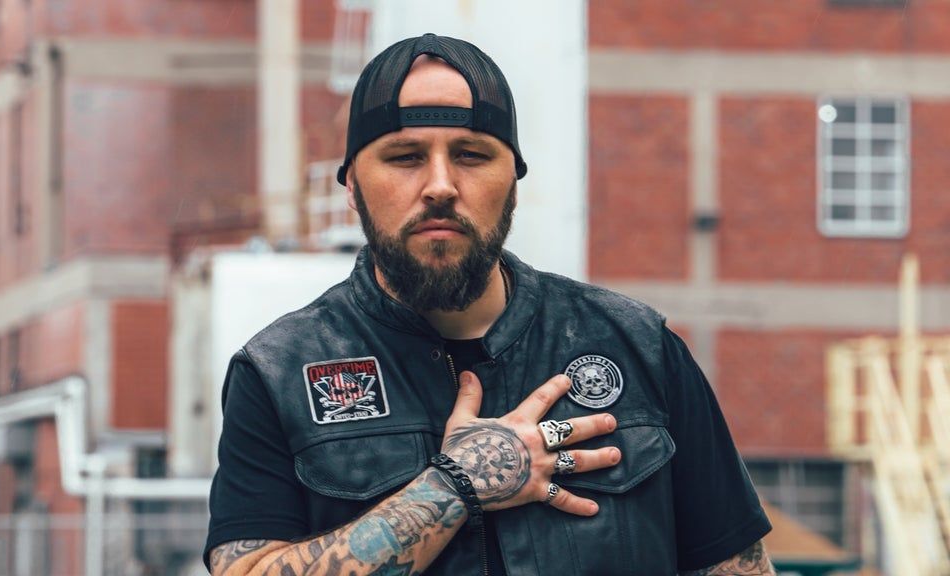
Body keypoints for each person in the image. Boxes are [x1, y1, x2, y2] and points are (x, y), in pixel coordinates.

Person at [204, 33, 773, 576]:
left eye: (472, 155)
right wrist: (457, 485)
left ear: (514, 184)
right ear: (352, 185)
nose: (441, 186)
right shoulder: (279, 370)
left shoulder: (637, 346)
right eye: (405, 156)